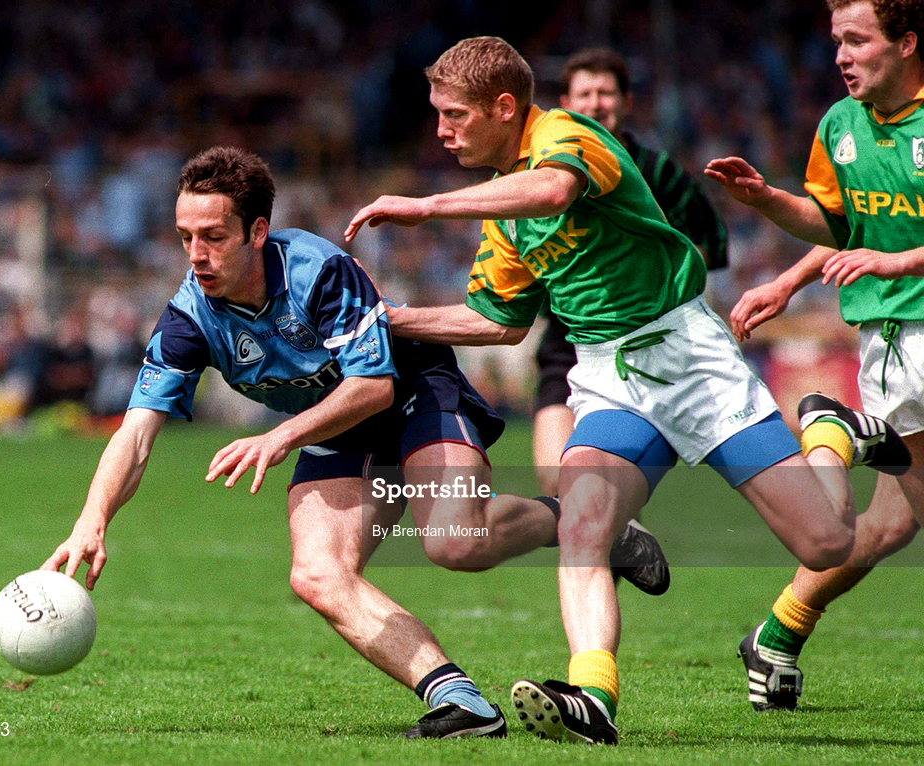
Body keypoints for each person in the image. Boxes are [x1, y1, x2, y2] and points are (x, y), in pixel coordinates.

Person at [345, 35, 909, 745]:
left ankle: (828, 434)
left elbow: (553, 188)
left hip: (690, 361)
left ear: (505, 106)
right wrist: (389, 321)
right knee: (583, 520)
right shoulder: (502, 214)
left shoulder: (570, 136)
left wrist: (424, 207)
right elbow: (496, 321)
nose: (441, 130)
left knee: (826, 544)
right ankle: (593, 698)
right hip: (609, 375)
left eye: (454, 114)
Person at [41, 146, 665, 739]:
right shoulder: (189, 317)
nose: (196, 255)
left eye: (213, 237)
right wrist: (91, 520)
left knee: (455, 542)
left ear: (257, 232)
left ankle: (584, 525)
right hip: (334, 423)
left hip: (411, 389)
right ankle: (459, 700)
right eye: (185, 238)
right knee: (316, 572)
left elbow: (372, 388)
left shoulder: (317, 271)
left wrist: (281, 435)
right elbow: (137, 432)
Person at [707, 0, 924, 712]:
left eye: (856, 41)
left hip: (903, 320)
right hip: (903, 336)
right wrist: (770, 207)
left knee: (893, 522)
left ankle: (776, 635)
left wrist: (896, 262)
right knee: (896, 517)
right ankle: (852, 432)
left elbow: (875, 246)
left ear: (907, 44)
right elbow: (835, 223)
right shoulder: (840, 125)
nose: (840, 55)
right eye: (837, 41)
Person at [532, 47, 729, 505]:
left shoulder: (658, 171)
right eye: (584, 93)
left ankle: (610, 528)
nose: (595, 103)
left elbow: (708, 243)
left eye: (606, 92)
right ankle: (620, 534)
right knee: (550, 479)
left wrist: (655, 277)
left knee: (596, 489)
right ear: (564, 103)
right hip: (567, 340)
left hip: (650, 339)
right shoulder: (540, 172)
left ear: (627, 103)